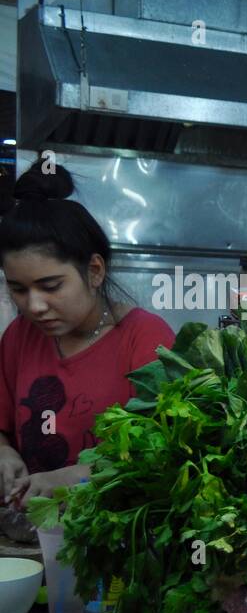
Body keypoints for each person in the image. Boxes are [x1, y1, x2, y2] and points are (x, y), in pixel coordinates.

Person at [0, 163, 175, 508]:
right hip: (35, 535)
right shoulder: (19, 337)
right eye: (18, 289)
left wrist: (74, 476)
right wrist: (4, 454)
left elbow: (164, 451)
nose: (34, 306)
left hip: (119, 538)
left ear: (94, 271)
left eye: (50, 286)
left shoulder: (144, 338)